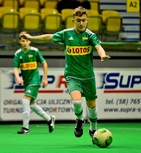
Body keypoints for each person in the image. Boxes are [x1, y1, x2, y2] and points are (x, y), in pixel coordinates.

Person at [23, 6, 110, 141]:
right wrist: (32, 37)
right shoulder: (66, 34)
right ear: (73, 21)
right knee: (76, 101)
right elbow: (49, 36)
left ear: (87, 20)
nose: (81, 23)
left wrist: (103, 55)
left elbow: (98, 47)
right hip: (72, 75)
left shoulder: (90, 35)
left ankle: (93, 128)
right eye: (78, 20)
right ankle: (80, 121)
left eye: (83, 20)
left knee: (91, 105)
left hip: (88, 76)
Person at [13, 31, 55, 134]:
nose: (25, 43)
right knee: (31, 104)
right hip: (27, 81)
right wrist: (18, 77)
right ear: (20, 42)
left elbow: (44, 63)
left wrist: (45, 78)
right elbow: (15, 68)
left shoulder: (35, 51)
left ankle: (25, 128)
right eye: (23, 41)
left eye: (27, 40)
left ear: (30, 41)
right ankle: (49, 119)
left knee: (25, 100)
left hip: (35, 80)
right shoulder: (18, 54)